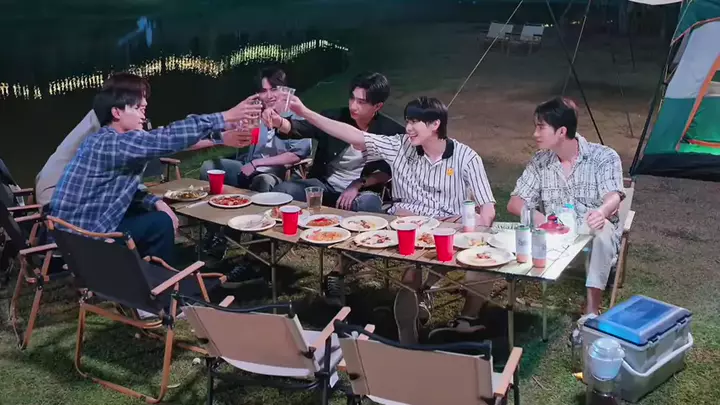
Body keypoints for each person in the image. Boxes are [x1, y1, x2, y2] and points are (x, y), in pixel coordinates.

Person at [287, 95, 497, 344]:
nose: (408, 127)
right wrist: (305, 112)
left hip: (448, 228)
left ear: (435, 124)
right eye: (408, 121)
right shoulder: (399, 146)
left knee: (479, 251)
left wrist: (478, 232)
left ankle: (461, 317)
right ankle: (409, 328)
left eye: (415, 122)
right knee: (411, 272)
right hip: (404, 225)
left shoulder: (466, 157)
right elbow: (354, 136)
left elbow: (487, 208)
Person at [49, 73, 260, 264]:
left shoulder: (106, 141)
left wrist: (156, 202)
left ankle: (143, 268)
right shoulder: (112, 144)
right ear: (116, 112)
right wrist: (224, 117)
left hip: (78, 236)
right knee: (160, 223)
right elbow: (165, 138)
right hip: (86, 242)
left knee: (153, 213)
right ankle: (160, 280)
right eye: (138, 109)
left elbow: (159, 148)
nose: (144, 115)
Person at [506, 97, 624, 319]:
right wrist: (542, 220)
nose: (535, 134)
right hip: (555, 235)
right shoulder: (540, 161)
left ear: (561, 131)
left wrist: (602, 212)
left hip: (589, 231)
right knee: (515, 233)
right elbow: (515, 202)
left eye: (541, 127)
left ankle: (591, 309)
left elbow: (614, 195)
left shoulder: (603, 157)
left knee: (604, 230)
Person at [263, 72, 404, 213]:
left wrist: (357, 184)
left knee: (367, 204)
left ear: (377, 106)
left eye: (361, 102)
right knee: (284, 190)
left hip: (362, 191)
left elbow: (388, 171)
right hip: (324, 185)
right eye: (352, 98)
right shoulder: (334, 117)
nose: (353, 106)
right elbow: (300, 128)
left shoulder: (391, 131)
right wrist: (279, 122)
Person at [199, 67, 312, 192]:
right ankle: (215, 203)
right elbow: (233, 128)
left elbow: (296, 155)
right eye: (264, 91)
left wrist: (258, 163)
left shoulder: (297, 116)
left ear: (284, 90)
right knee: (208, 167)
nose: (269, 96)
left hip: (277, 172)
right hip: (249, 166)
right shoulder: (256, 113)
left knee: (263, 181)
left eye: (273, 89)